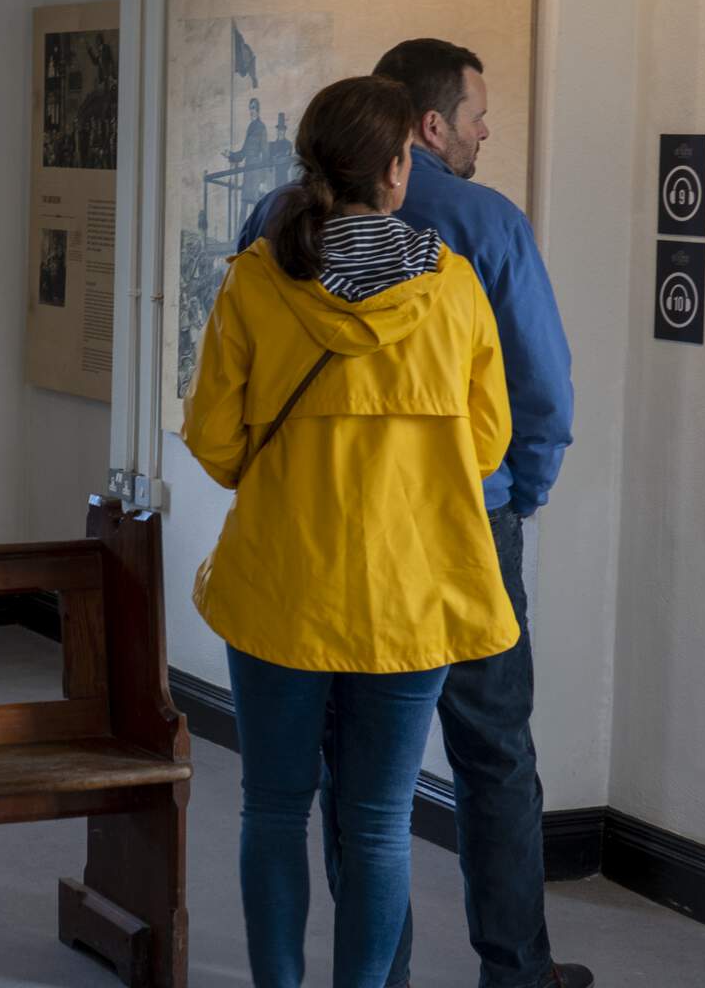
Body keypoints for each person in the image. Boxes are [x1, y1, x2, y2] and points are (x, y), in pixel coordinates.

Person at [237, 39, 586, 988]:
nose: (484, 131)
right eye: (475, 115)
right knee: (492, 758)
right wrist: (517, 493)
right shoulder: (479, 233)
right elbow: (537, 397)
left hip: (312, 540)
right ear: (419, 132)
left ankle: (378, 975)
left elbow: (232, 413)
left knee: (328, 789)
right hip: (460, 532)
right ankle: (514, 970)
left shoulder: (275, 225)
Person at [186, 74, 518, 988]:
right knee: (378, 825)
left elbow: (214, 443)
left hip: (280, 588)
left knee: (272, 810)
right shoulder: (450, 291)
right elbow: (487, 445)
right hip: (411, 600)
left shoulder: (256, 281)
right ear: (400, 165)